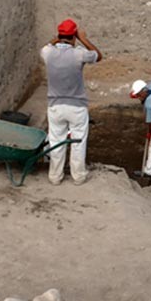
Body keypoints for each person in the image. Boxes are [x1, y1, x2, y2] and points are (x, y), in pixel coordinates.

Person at [40, 18, 102, 185]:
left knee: (56, 141)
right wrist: (83, 38)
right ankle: (78, 176)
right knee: (78, 142)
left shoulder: (48, 53)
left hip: (55, 107)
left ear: (59, 35)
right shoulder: (79, 53)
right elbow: (98, 56)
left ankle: (55, 177)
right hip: (77, 107)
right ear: (74, 36)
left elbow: (47, 46)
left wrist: (58, 37)